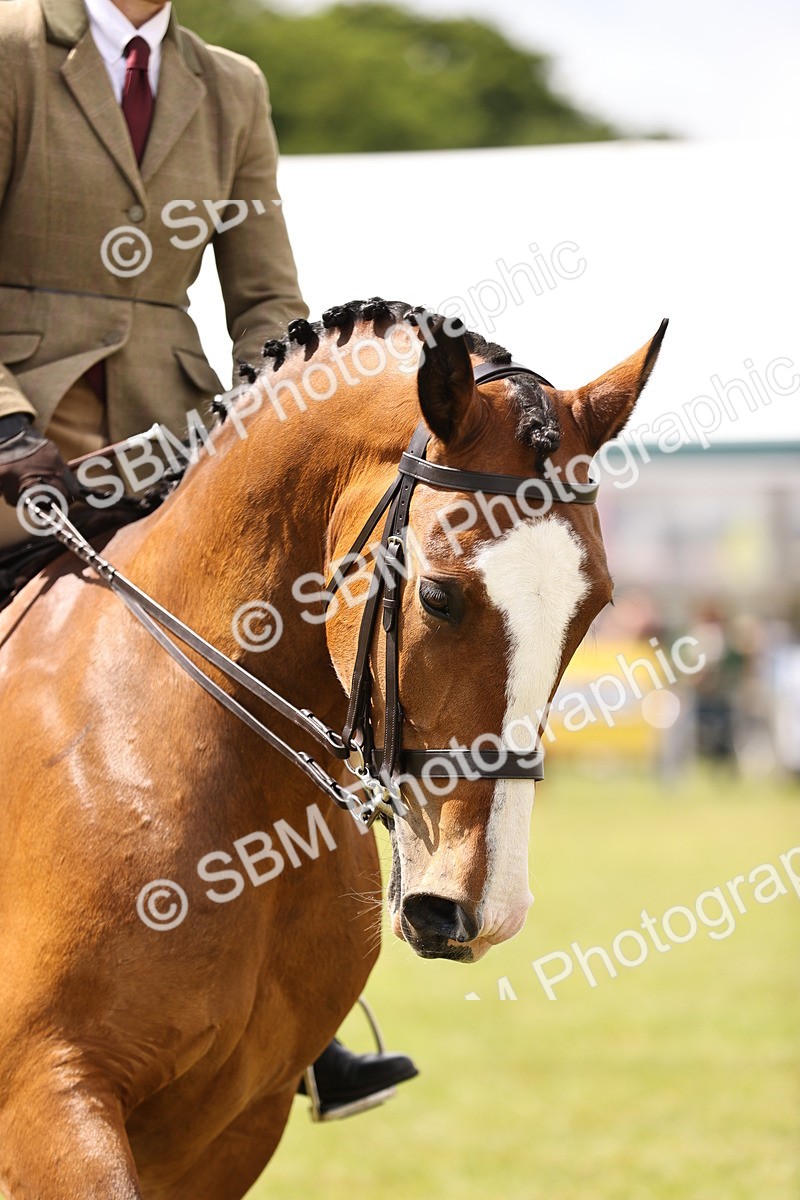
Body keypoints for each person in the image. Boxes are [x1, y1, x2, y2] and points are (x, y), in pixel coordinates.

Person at [0, 0, 417, 1118]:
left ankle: (302, 1005)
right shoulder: (5, 49)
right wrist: (3, 426)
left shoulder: (229, 82)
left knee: (279, 670)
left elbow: (267, 298)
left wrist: (287, 420)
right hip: (15, 432)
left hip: (176, 437)